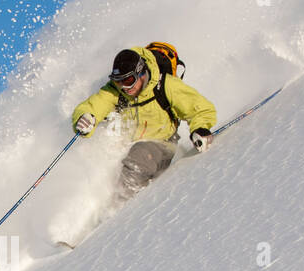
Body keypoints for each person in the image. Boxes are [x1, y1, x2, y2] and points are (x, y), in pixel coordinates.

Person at [71, 47, 217, 200]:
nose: (124, 87)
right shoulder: (116, 91)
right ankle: (95, 207)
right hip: (128, 148)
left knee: (139, 154)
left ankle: (119, 207)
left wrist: (200, 128)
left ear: (141, 73)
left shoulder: (166, 86)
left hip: (161, 145)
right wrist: (85, 117)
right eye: (118, 81)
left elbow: (201, 109)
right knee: (97, 160)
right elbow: (93, 105)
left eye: (128, 80)